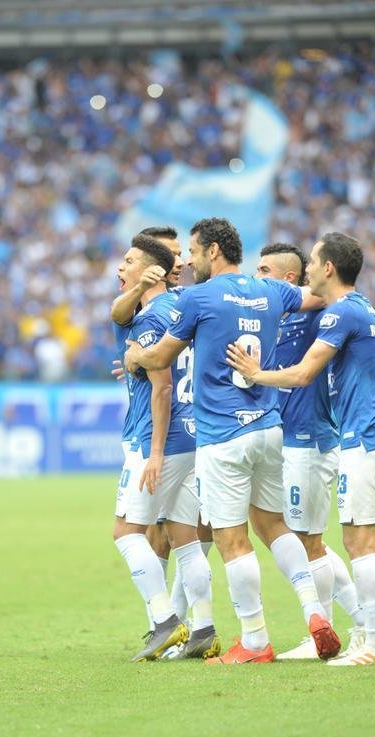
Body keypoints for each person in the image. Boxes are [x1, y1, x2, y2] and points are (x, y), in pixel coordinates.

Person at [125, 217, 341, 664]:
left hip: (223, 435)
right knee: (275, 526)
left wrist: (133, 356)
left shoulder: (199, 297)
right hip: (269, 426)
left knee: (230, 539)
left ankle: (255, 640)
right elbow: (319, 295)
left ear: (214, 251)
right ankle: (315, 611)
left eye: (195, 250)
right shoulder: (271, 291)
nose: (190, 259)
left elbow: (161, 356)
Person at [227, 231, 375, 665]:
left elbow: (304, 373)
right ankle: (364, 632)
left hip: (343, 438)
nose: (259, 279)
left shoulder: (331, 312)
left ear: (322, 270)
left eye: (267, 272)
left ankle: (370, 636)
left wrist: (255, 373)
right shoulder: (355, 311)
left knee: (344, 541)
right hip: (369, 434)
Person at [256, 243, 365, 660]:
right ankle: (358, 622)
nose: (256, 277)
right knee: (306, 540)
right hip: (286, 440)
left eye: (264, 270)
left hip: (310, 440)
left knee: (307, 541)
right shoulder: (267, 318)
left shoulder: (319, 310)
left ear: (288, 279)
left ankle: (333, 629)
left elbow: (347, 303)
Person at [113, 233, 219, 661]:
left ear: (148, 270)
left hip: (160, 439)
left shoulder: (152, 319)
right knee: (184, 535)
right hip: (196, 433)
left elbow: (162, 387)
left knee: (125, 532)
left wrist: (155, 452)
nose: (120, 268)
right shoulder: (187, 306)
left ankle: (164, 621)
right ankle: (205, 630)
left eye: (128, 261)